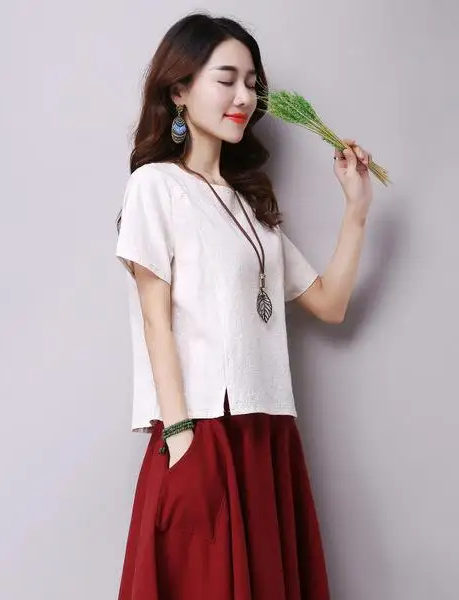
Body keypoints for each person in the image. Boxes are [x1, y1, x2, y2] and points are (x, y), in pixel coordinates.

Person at [114, 12, 373, 600]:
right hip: (203, 428)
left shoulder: (252, 208)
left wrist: (356, 210)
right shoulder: (155, 185)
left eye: (253, 83)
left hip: (267, 433)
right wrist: (182, 437)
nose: (244, 97)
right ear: (179, 90)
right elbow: (156, 318)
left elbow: (329, 305)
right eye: (226, 79)